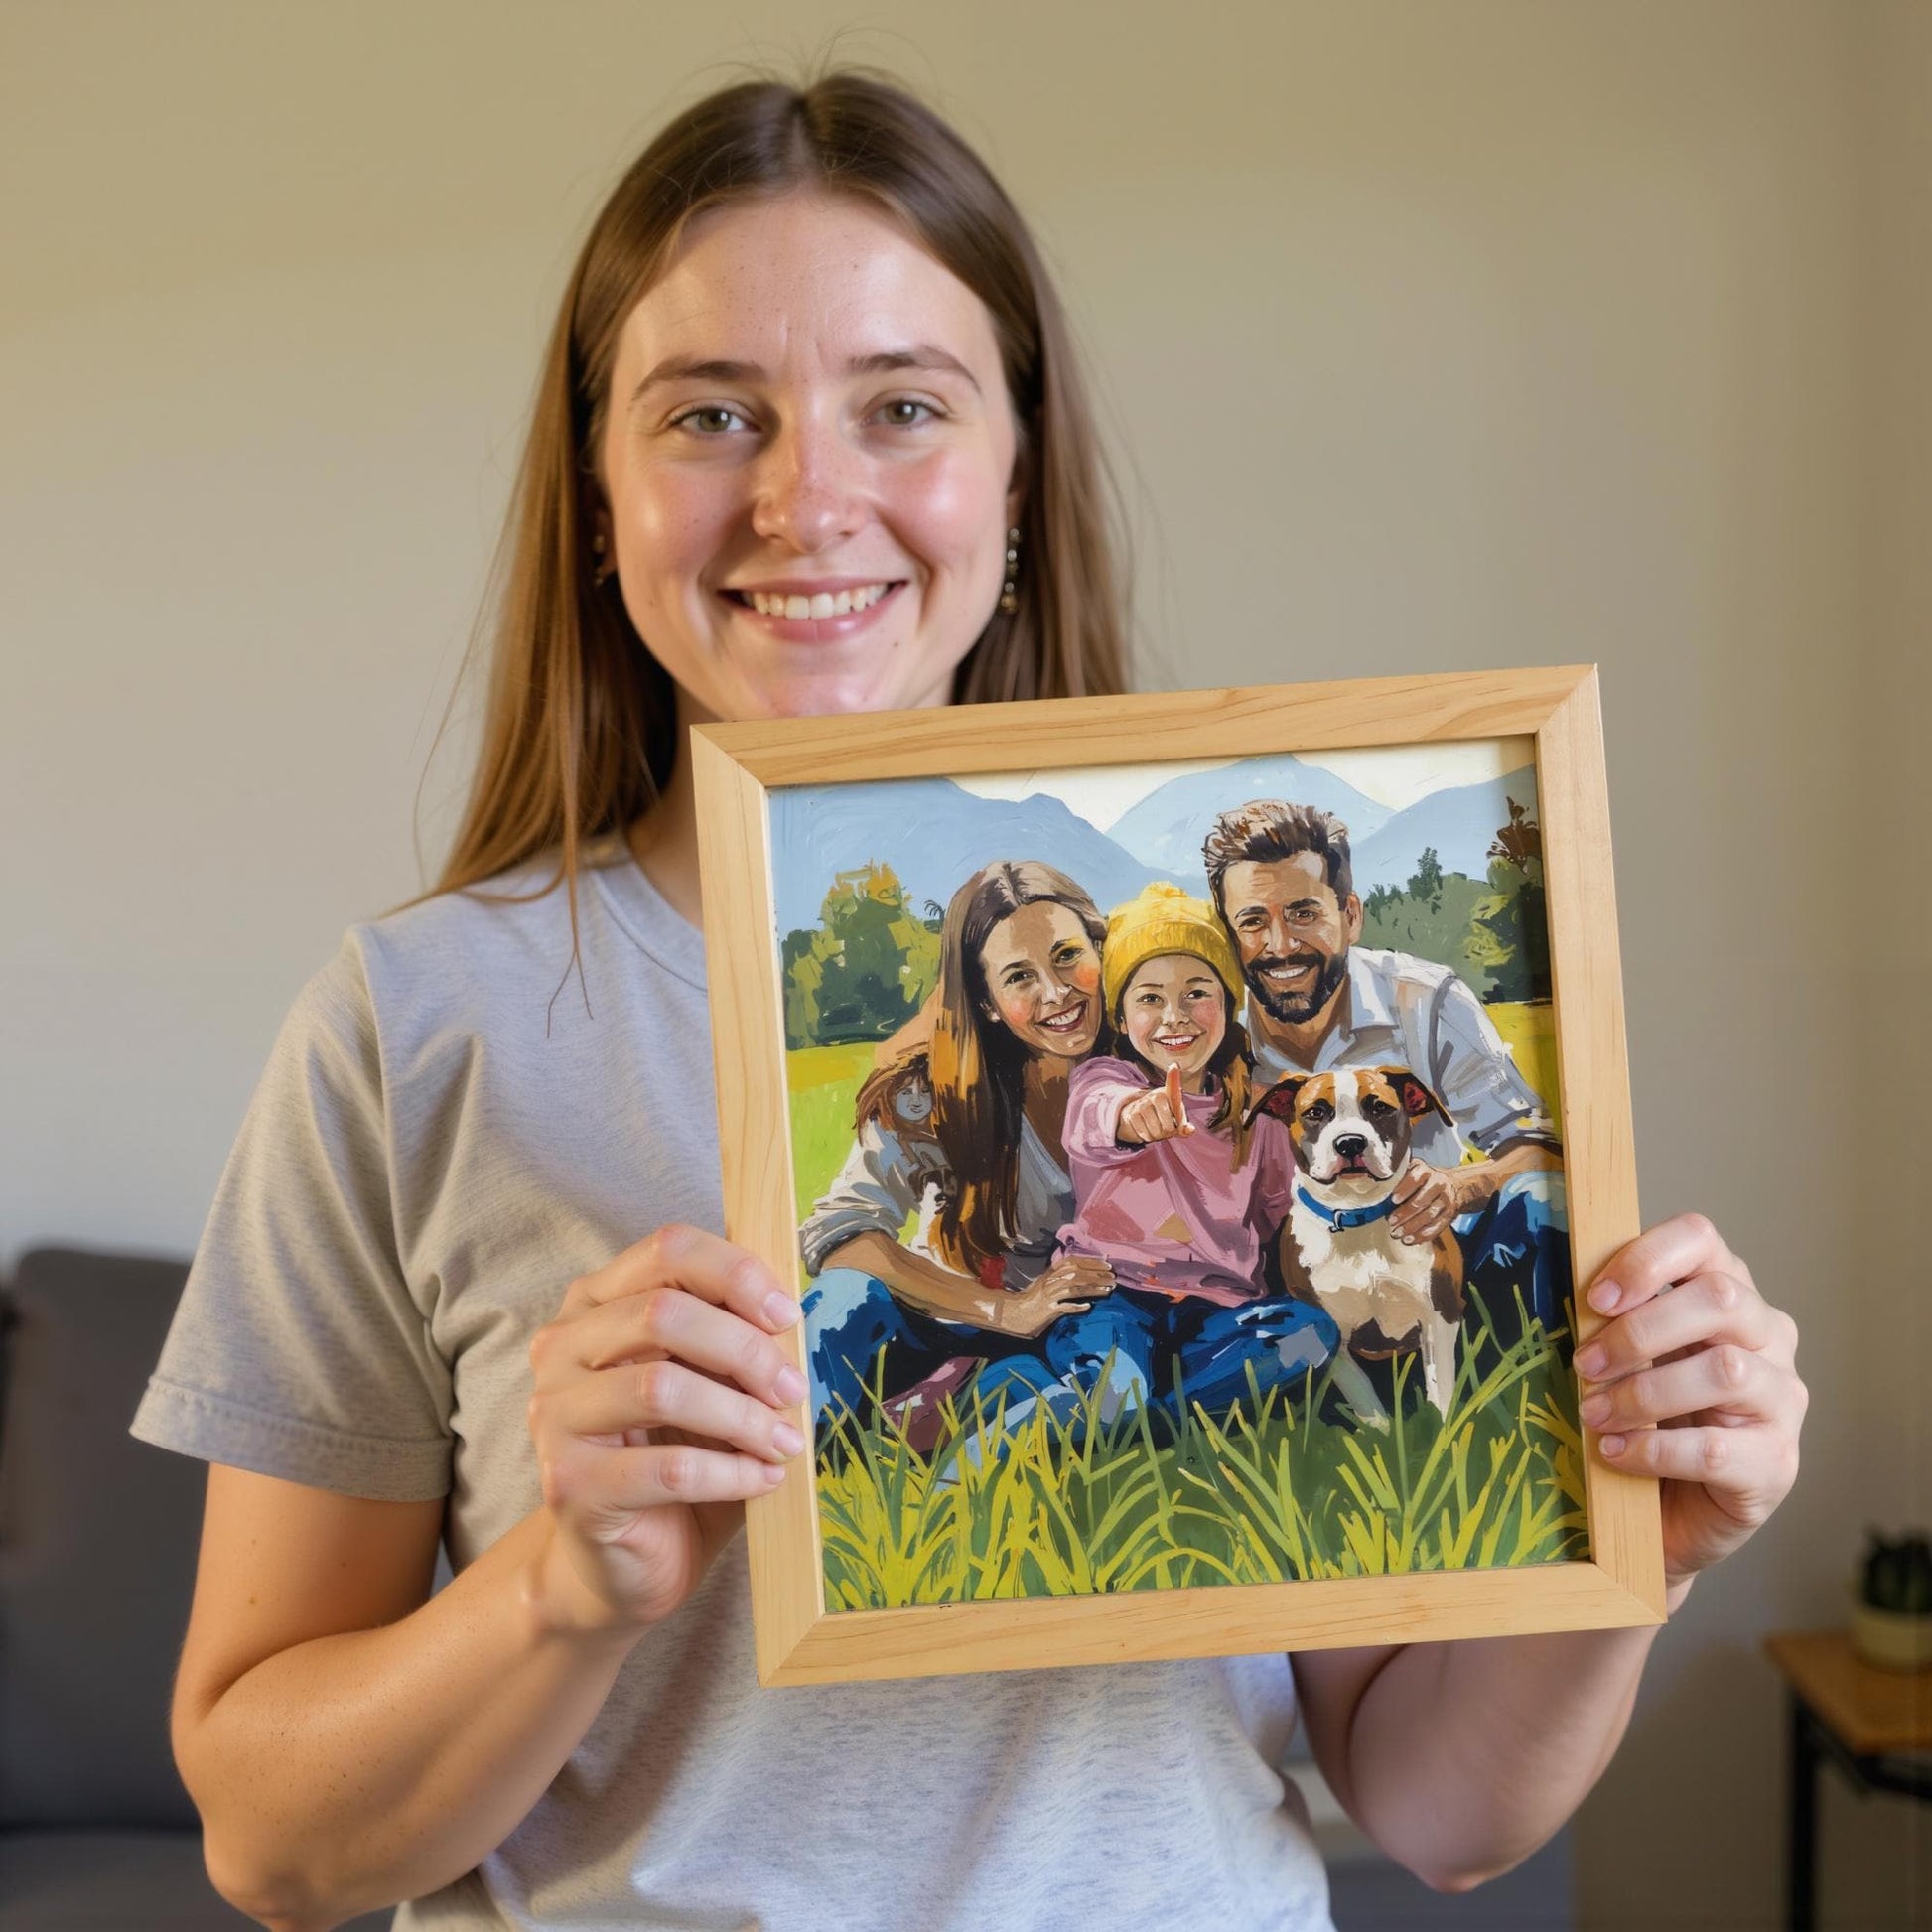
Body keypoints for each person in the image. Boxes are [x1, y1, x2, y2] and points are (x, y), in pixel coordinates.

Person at [126, 69, 1807, 1932]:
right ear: (599, 497)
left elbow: (1438, 1813)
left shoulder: (1252, 1025)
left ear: (1013, 480)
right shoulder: (414, 1025)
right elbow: (276, 1849)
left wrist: (1638, 1538)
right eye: (709, 414)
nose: (804, 498)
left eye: (904, 405)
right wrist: (562, 1588)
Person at [1205, 797, 1571, 1350]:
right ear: (1229, 935)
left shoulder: (1426, 999)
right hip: (1303, 1281)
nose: (1280, 946)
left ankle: (1535, 1370)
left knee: (1542, 1200)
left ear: (1350, 915)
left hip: (1436, 1256)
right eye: (1253, 922)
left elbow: (1543, 1148)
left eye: (1304, 914)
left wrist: (1460, 1186)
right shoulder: (1215, 1040)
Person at [799, 858, 1119, 1432]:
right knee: (843, 1300)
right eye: (1019, 976)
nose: (1056, 992)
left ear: (1101, 951)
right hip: (943, 1317)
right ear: (987, 1001)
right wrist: (1005, 1309)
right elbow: (842, 1234)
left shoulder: (1151, 1072)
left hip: (1068, 1337)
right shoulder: (933, 1093)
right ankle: (793, 1454)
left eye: (1068, 955)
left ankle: (939, 1414)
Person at [1038, 882, 1337, 1423]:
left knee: (1308, 1334)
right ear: (1121, 1018)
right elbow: (1094, 1121)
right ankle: (1108, 1411)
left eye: (1197, 993)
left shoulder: (1260, 1111)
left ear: (1227, 1006)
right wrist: (1136, 1115)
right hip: (1112, 1297)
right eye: (1150, 998)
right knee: (1116, 1389)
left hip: (1218, 1311)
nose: (1175, 1016)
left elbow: (1278, 1218)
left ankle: (1149, 1416)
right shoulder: (1104, 1080)